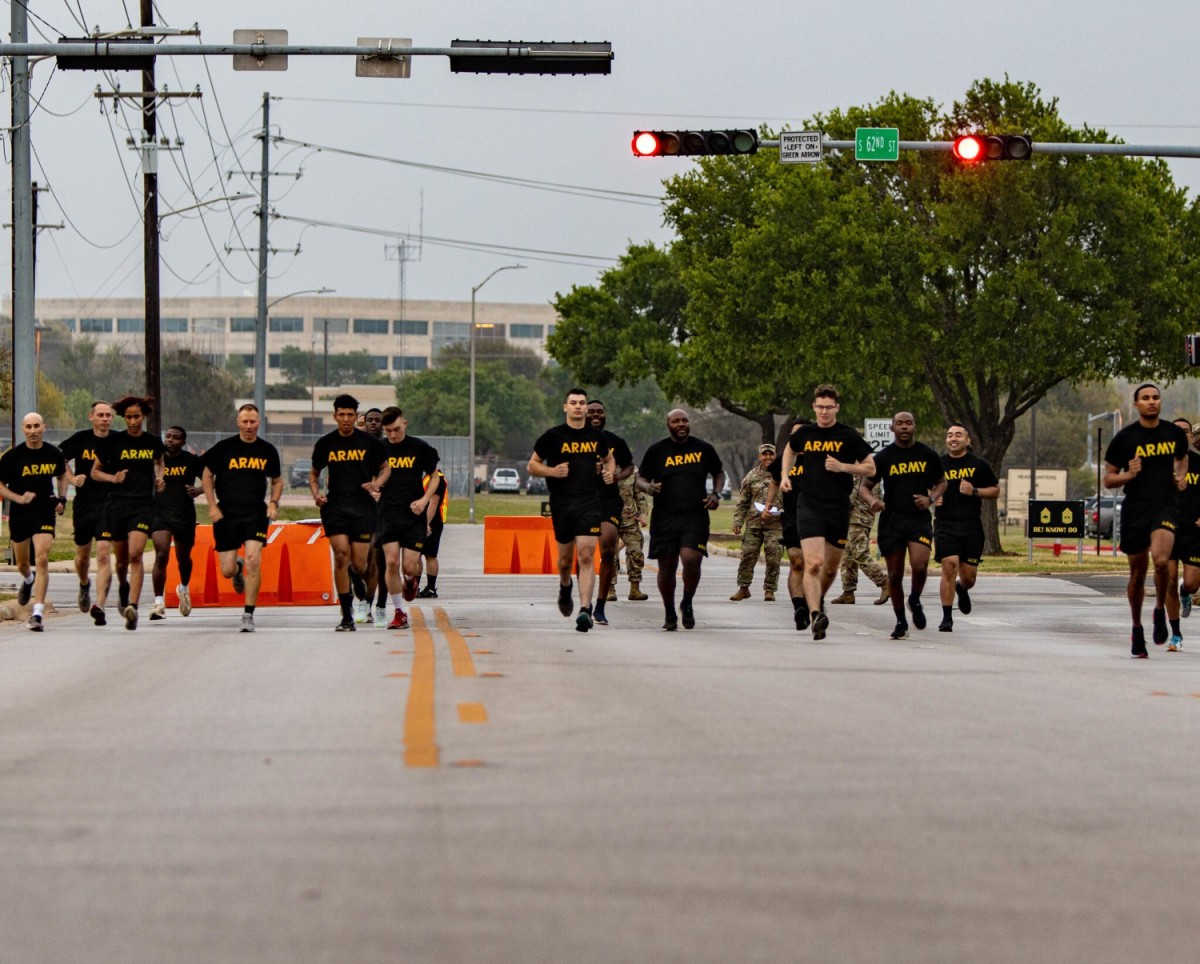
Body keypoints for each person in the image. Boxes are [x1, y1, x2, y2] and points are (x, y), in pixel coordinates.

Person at [779, 386, 875, 640]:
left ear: (836, 408)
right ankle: (814, 614)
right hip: (809, 505)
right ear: (814, 407)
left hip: (838, 507)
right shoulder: (806, 433)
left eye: (828, 407)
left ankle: (816, 598)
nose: (824, 411)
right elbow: (790, 449)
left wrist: (843, 466)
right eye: (820, 407)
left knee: (830, 570)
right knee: (814, 564)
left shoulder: (848, 435)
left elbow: (871, 468)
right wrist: (784, 476)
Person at [1103, 383, 1189, 658]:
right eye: (1146, 398)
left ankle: (1159, 611)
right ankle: (1137, 628)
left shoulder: (1174, 433)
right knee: (1138, 575)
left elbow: (1182, 458)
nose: (1152, 402)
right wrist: (1128, 475)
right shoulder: (1125, 439)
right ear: (1137, 404)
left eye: (1155, 397)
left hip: (1165, 506)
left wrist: (1180, 475)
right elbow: (1108, 478)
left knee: (1162, 562)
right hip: (1135, 509)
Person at [528, 387, 615, 633]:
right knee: (565, 561)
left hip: (589, 501)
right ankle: (565, 586)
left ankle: (585, 610)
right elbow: (532, 465)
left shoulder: (597, 437)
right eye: (573, 403)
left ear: (586, 408)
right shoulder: (552, 437)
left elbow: (608, 458)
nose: (578, 406)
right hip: (562, 503)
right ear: (566, 407)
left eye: (582, 403)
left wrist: (609, 472)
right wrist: (553, 472)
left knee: (587, 554)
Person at [860, 411, 946, 640]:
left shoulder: (927, 454)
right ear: (892, 429)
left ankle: (915, 599)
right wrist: (873, 501)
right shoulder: (884, 457)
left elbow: (941, 482)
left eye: (908, 423)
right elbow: (863, 487)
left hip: (918, 518)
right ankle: (900, 621)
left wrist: (930, 499)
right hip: (892, 519)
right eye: (900, 423)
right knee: (895, 574)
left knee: (919, 565)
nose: (904, 427)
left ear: (914, 427)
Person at [637, 408, 724, 631]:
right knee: (666, 567)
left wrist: (716, 494)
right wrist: (648, 487)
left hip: (694, 515)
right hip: (665, 516)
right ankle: (669, 612)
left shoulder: (702, 448)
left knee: (691, 559)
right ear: (669, 425)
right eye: (676, 421)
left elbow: (718, 472)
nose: (681, 424)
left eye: (684, 420)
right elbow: (640, 478)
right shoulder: (657, 451)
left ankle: (687, 601)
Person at [200, 403, 283, 633]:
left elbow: (277, 481)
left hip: (255, 513)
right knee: (226, 570)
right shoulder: (224, 448)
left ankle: (248, 613)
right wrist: (211, 505)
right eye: (244, 421)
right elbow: (207, 474)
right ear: (238, 422)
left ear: (259, 422)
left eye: (253, 421)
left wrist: (274, 504)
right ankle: (236, 569)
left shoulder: (267, 450)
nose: (249, 426)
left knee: (254, 560)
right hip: (226, 513)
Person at [310, 394, 390, 632]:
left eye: (350, 415)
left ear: (357, 417)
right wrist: (316, 493)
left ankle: (358, 583)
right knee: (341, 555)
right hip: (335, 506)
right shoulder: (325, 443)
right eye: (341, 415)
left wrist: (377, 484)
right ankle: (347, 616)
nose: (346, 419)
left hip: (363, 507)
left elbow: (386, 468)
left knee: (359, 564)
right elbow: (314, 475)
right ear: (335, 416)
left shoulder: (370, 443)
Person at [90, 395, 165, 631]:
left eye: (137, 417)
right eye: (129, 417)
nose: (133, 422)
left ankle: (132, 606)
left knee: (136, 554)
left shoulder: (152, 442)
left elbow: (160, 462)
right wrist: (113, 478)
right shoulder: (113, 443)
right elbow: (94, 472)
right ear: (124, 418)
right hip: (118, 505)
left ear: (143, 416)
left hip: (143, 505)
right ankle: (122, 584)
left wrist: (160, 477)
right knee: (121, 561)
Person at [0, 412, 68, 631]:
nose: (32, 431)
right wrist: (19, 498)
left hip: (44, 511)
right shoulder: (13, 456)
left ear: (43, 427)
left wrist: (61, 498)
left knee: (41, 558)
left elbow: (62, 476)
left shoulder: (53, 453)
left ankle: (37, 612)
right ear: (23, 429)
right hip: (20, 514)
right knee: (22, 563)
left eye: (36, 426)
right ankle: (28, 580)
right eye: (28, 427)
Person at [376, 406, 440, 630]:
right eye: (388, 431)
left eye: (396, 429)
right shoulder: (379, 449)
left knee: (409, 567)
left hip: (413, 514)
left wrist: (424, 500)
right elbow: (369, 477)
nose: (392, 435)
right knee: (391, 562)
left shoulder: (419, 447)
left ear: (405, 423)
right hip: (388, 513)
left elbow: (434, 478)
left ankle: (411, 580)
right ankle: (399, 612)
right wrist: (373, 491)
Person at [934, 423, 1000, 633]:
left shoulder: (978, 465)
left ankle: (962, 589)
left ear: (967, 440)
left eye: (958, 435)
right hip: (945, 525)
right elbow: (924, 486)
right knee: (949, 566)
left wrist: (975, 491)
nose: (953, 438)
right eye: (950, 435)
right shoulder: (937, 464)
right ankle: (946, 617)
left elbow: (995, 491)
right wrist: (934, 497)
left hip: (971, 526)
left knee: (969, 577)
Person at [59, 400, 116, 626]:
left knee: (103, 554)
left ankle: (100, 605)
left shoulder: (117, 441)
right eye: (100, 415)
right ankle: (84, 584)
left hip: (109, 504)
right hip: (84, 504)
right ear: (91, 416)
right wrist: (72, 478)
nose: (104, 419)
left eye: (108, 415)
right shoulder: (80, 439)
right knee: (82, 558)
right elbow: (59, 458)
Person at [587, 399, 635, 626]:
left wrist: (617, 476)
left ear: (605, 416)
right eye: (591, 411)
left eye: (600, 412)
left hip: (608, 501)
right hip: (582, 500)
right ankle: (583, 603)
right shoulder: (572, 441)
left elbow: (629, 466)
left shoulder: (615, 441)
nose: (596, 415)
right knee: (584, 554)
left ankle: (600, 606)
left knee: (607, 548)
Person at [148, 425, 204, 620]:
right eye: (168, 436)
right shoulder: (156, 459)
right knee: (161, 554)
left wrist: (200, 490)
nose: (170, 440)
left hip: (184, 513)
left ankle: (184, 588)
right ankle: (158, 603)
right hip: (160, 513)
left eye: (176, 437)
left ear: (183, 442)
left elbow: (211, 477)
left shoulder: (191, 460)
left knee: (183, 558)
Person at [765, 416, 810, 624]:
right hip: (792, 517)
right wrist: (769, 504)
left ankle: (814, 602)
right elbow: (774, 481)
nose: (796, 436)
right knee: (797, 561)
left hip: (817, 517)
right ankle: (799, 607)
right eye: (794, 432)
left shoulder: (820, 458)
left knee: (815, 566)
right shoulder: (785, 459)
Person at [730, 443, 783, 602]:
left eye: (771, 454)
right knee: (748, 555)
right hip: (754, 524)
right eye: (764, 454)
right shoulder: (751, 477)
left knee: (774, 556)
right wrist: (738, 521)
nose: (768, 457)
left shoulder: (783, 474)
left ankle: (770, 590)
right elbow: (743, 502)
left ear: (775, 456)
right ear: (759, 456)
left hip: (776, 524)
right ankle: (743, 588)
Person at [1164, 417, 1198, 651]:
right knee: (1168, 581)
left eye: (1185, 430)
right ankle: (1175, 634)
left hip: (1193, 531)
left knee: (1193, 583)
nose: (1181, 433)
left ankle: (1186, 593)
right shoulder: (1160, 465)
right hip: (1167, 529)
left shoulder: (1198, 462)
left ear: (1190, 436)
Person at [829, 485, 890, 607]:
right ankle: (848, 592)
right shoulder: (869, 471)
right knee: (848, 556)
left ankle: (885, 583)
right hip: (858, 517)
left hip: (858, 518)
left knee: (859, 553)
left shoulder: (859, 471)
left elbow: (850, 496)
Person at [613, 469, 649, 601]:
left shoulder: (632, 473)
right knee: (610, 554)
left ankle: (635, 589)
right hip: (609, 520)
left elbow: (639, 495)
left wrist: (643, 514)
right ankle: (610, 589)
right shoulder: (602, 470)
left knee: (636, 553)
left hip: (630, 520)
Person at [418, 470, 448, 598]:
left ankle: (431, 588)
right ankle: (415, 586)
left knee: (430, 555)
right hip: (423, 520)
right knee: (416, 554)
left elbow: (433, 503)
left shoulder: (437, 479)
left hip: (433, 522)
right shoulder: (427, 477)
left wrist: (426, 524)